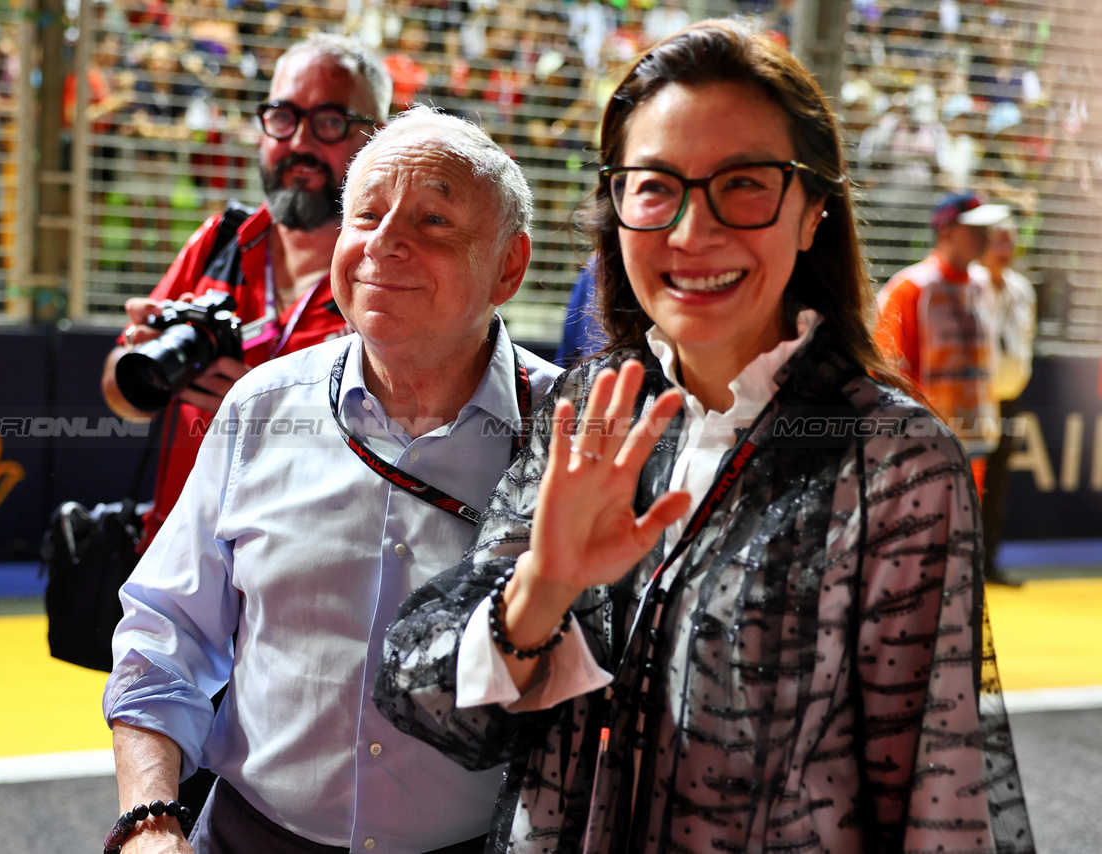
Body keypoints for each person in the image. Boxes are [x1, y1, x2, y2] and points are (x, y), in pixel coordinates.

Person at [376, 20, 1034, 854]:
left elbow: (938, 797)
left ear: (813, 213)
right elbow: (426, 698)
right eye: (655, 186)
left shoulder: (893, 462)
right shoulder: (588, 408)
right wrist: (542, 586)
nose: (692, 230)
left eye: (746, 183)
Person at [102, 107, 562, 854]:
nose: (386, 243)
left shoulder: (568, 434)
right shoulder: (258, 408)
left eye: (436, 220)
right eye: (368, 214)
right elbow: (167, 633)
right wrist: (146, 819)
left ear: (509, 265)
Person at [100, 34, 392, 550]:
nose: (300, 143)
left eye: (329, 121)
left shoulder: (389, 276)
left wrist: (265, 407)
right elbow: (119, 392)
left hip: (301, 585)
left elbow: (406, 451)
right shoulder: (218, 242)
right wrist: (139, 354)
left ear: (380, 137)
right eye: (283, 117)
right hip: (176, 573)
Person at [874, 189, 1010, 494]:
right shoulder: (910, 288)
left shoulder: (983, 284)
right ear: (946, 229)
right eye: (975, 227)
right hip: (921, 447)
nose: (986, 235)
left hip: (975, 440)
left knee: (964, 531)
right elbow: (886, 373)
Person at [970, 214, 1036, 586]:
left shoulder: (1023, 289)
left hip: (1009, 400)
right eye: (998, 241)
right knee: (967, 484)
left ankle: (988, 563)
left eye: (1010, 242)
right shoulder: (967, 285)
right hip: (971, 402)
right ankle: (960, 565)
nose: (1004, 251)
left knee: (997, 485)